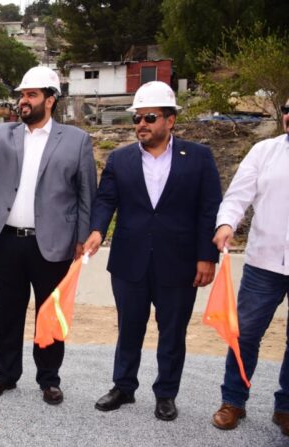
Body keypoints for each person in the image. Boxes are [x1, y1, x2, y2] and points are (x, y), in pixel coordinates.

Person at [84, 81, 222, 421]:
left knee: (172, 331)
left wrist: (207, 256)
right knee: (129, 326)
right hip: (130, 261)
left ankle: (166, 394)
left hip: (179, 263)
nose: (141, 125)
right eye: (136, 119)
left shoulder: (199, 158)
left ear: (170, 121)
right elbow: (106, 200)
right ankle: (124, 387)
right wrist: (98, 230)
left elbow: (210, 209)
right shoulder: (120, 159)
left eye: (149, 117)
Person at [0, 66, 97, 404]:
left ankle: (49, 379)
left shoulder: (76, 140)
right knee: (7, 311)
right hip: (6, 240)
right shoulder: (4, 133)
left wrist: (82, 238)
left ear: (50, 100)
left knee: (50, 313)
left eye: (32, 95)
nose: (24, 101)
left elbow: (86, 194)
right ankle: (5, 374)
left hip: (53, 243)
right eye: (22, 95)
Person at [209, 97, 289, 435]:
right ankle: (233, 401)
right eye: (286, 109)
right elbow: (238, 195)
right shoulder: (264, 151)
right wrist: (226, 224)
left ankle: (285, 408)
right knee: (244, 336)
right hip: (263, 263)